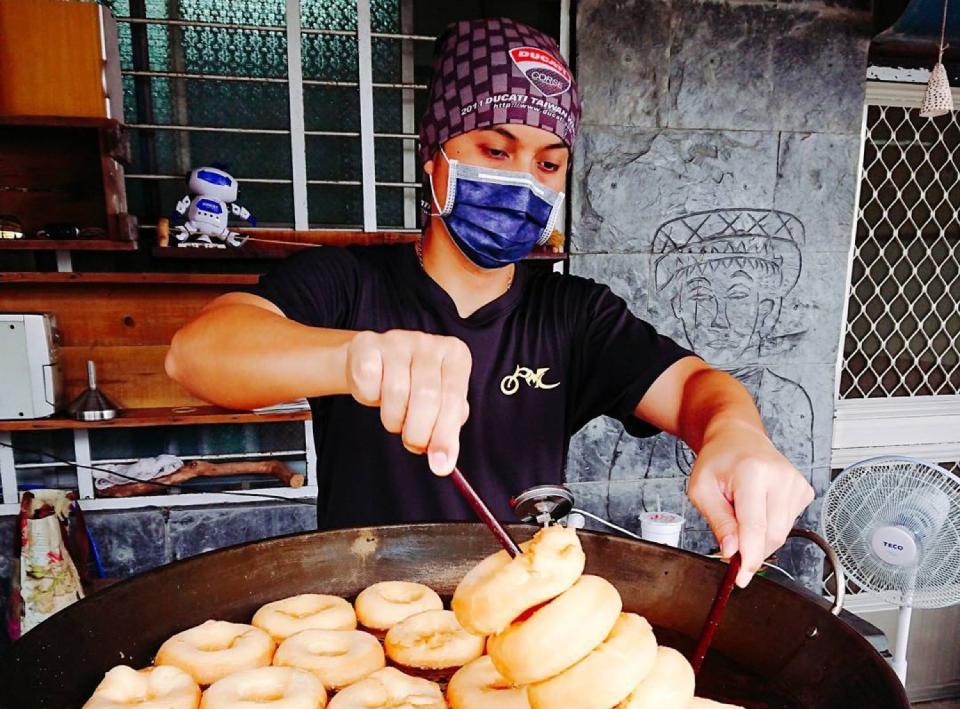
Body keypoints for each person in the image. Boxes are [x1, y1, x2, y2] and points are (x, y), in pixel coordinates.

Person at [165, 17, 813, 589]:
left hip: (513, 618)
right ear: (434, 156)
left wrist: (736, 433)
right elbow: (198, 354)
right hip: (365, 619)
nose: (522, 180)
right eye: (496, 150)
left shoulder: (573, 316)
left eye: (549, 163)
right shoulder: (346, 284)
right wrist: (356, 357)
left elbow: (697, 386)